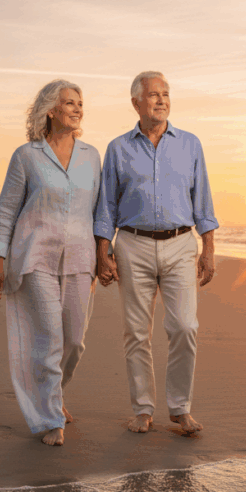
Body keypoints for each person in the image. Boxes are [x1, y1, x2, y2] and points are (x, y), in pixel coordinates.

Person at [94, 71, 218, 434]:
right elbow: (106, 207)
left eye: (165, 94)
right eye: (153, 95)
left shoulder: (190, 144)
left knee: (184, 326)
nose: (161, 100)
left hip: (181, 244)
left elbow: (204, 202)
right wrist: (104, 251)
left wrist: (208, 248)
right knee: (136, 332)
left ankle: (180, 408)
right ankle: (143, 409)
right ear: (136, 102)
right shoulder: (118, 148)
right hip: (132, 244)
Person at [0, 79, 101, 446]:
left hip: (81, 256)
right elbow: (7, 209)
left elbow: (101, 212)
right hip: (35, 255)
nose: (77, 108)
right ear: (51, 110)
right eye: (70, 102)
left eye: (80, 103)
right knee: (49, 335)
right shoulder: (27, 156)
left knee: (74, 339)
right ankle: (50, 417)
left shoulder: (92, 156)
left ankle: (54, 394)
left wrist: (106, 253)